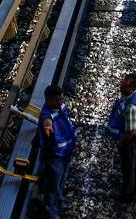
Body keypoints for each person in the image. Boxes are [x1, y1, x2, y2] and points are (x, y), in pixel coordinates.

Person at [37, 84, 76, 219]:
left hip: (66, 151)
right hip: (55, 155)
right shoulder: (47, 114)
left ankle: (59, 201)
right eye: (56, 100)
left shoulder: (61, 107)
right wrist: (47, 127)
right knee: (53, 184)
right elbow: (46, 121)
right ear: (48, 101)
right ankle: (51, 211)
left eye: (61, 99)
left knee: (61, 178)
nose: (59, 102)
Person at [107, 73, 136, 203]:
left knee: (128, 166)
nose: (122, 85)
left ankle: (128, 193)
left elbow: (130, 132)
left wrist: (121, 142)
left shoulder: (131, 108)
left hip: (130, 140)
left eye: (125, 85)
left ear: (132, 88)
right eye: (123, 82)